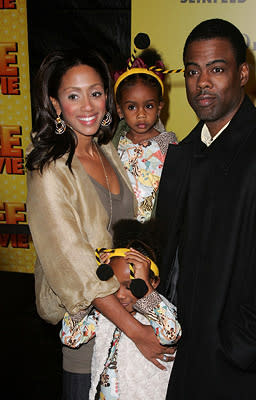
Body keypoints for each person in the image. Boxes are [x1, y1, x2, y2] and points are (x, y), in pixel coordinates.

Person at [25, 48, 174, 400]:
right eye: (73, 96)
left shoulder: (107, 149)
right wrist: (137, 330)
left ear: (108, 97)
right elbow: (74, 266)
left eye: (95, 93)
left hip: (131, 317)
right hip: (91, 329)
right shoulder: (49, 169)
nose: (88, 106)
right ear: (56, 104)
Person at [156, 18, 256, 399]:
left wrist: (235, 348)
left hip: (239, 373)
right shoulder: (183, 153)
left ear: (243, 73)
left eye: (217, 69)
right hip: (182, 359)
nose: (202, 83)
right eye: (194, 71)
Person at [60, 218, 181, 399]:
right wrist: (94, 285)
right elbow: (70, 337)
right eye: (114, 285)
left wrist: (145, 291)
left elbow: (170, 334)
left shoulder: (159, 312)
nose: (121, 295)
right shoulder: (104, 316)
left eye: (130, 286)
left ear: (154, 282)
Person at [112, 49, 178, 222]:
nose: (141, 114)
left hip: (153, 230)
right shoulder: (114, 144)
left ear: (159, 107)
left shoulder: (167, 144)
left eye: (148, 106)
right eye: (132, 107)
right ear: (120, 110)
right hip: (117, 227)